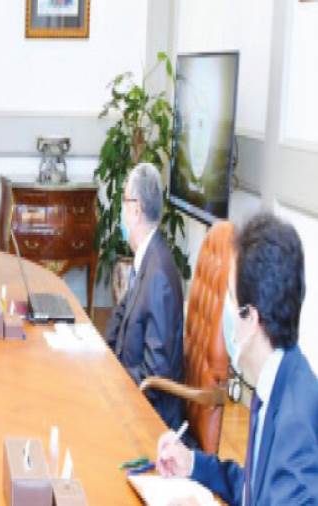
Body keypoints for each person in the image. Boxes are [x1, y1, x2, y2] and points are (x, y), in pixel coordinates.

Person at [156, 213, 318, 505]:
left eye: (230, 299)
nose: (225, 313)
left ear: (250, 317)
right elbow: (251, 489)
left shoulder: (295, 424)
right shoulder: (277, 377)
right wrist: (191, 463)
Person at [104, 163, 185, 430]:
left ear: (136, 210)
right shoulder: (147, 258)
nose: (121, 211)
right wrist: (100, 357)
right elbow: (121, 317)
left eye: (124, 201)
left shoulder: (159, 275)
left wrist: (112, 382)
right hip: (128, 391)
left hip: (149, 417)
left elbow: (155, 375)